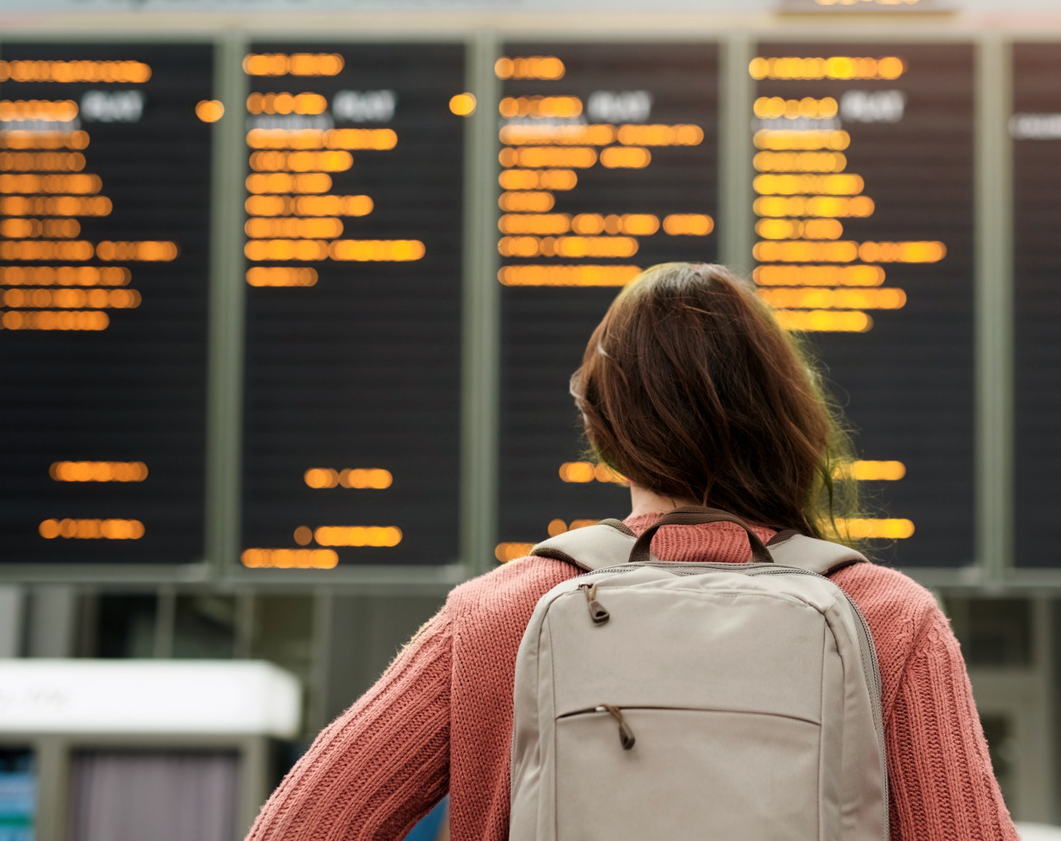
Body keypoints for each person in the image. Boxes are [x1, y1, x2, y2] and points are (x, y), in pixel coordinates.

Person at [244, 262, 1018, 840]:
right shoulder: (888, 618)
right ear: (789, 417)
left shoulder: (495, 615)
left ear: (604, 428)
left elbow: (297, 829)